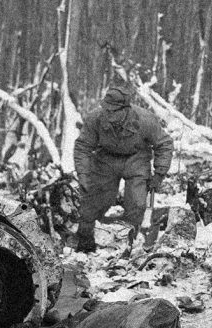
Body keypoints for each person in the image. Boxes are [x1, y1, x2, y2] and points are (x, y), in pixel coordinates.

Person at [73, 86, 174, 253]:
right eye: (106, 109)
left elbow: (164, 144)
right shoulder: (95, 118)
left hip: (137, 158)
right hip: (106, 159)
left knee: (136, 202)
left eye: (113, 111)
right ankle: (85, 241)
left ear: (125, 109)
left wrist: (159, 174)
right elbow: (83, 146)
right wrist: (83, 174)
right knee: (95, 200)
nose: (108, 114)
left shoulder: (145, 120)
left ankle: (128, 243)